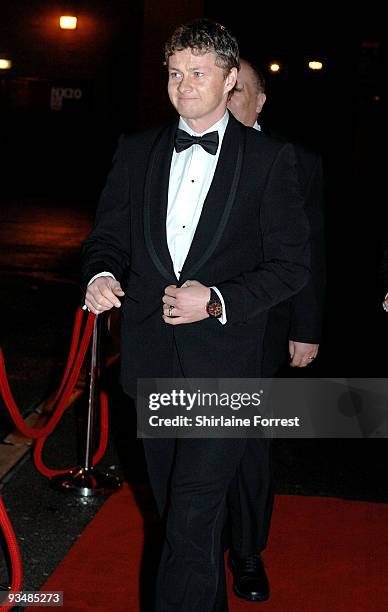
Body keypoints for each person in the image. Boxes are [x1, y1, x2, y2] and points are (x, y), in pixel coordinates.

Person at [81, 19, 310, 612]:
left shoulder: (269, 160)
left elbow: (291, 266)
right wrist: (102, 275)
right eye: (175, 74)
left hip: (225, 372)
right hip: (153, 363)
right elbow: (106, 239)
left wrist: (215, 300)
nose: (183, 86)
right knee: (183, 522)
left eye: (199, 74)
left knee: (190, 517)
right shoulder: (137, 152)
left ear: (230, 79)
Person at [225, 59, 325, 602]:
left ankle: (246, 551)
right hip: (191, 325)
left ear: (260, 102)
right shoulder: (175, 150)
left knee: (247, 443)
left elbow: (310, 253)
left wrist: (307, 328)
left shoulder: (296, 160)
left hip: (263, 327)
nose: (229, 93)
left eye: (241, 89)